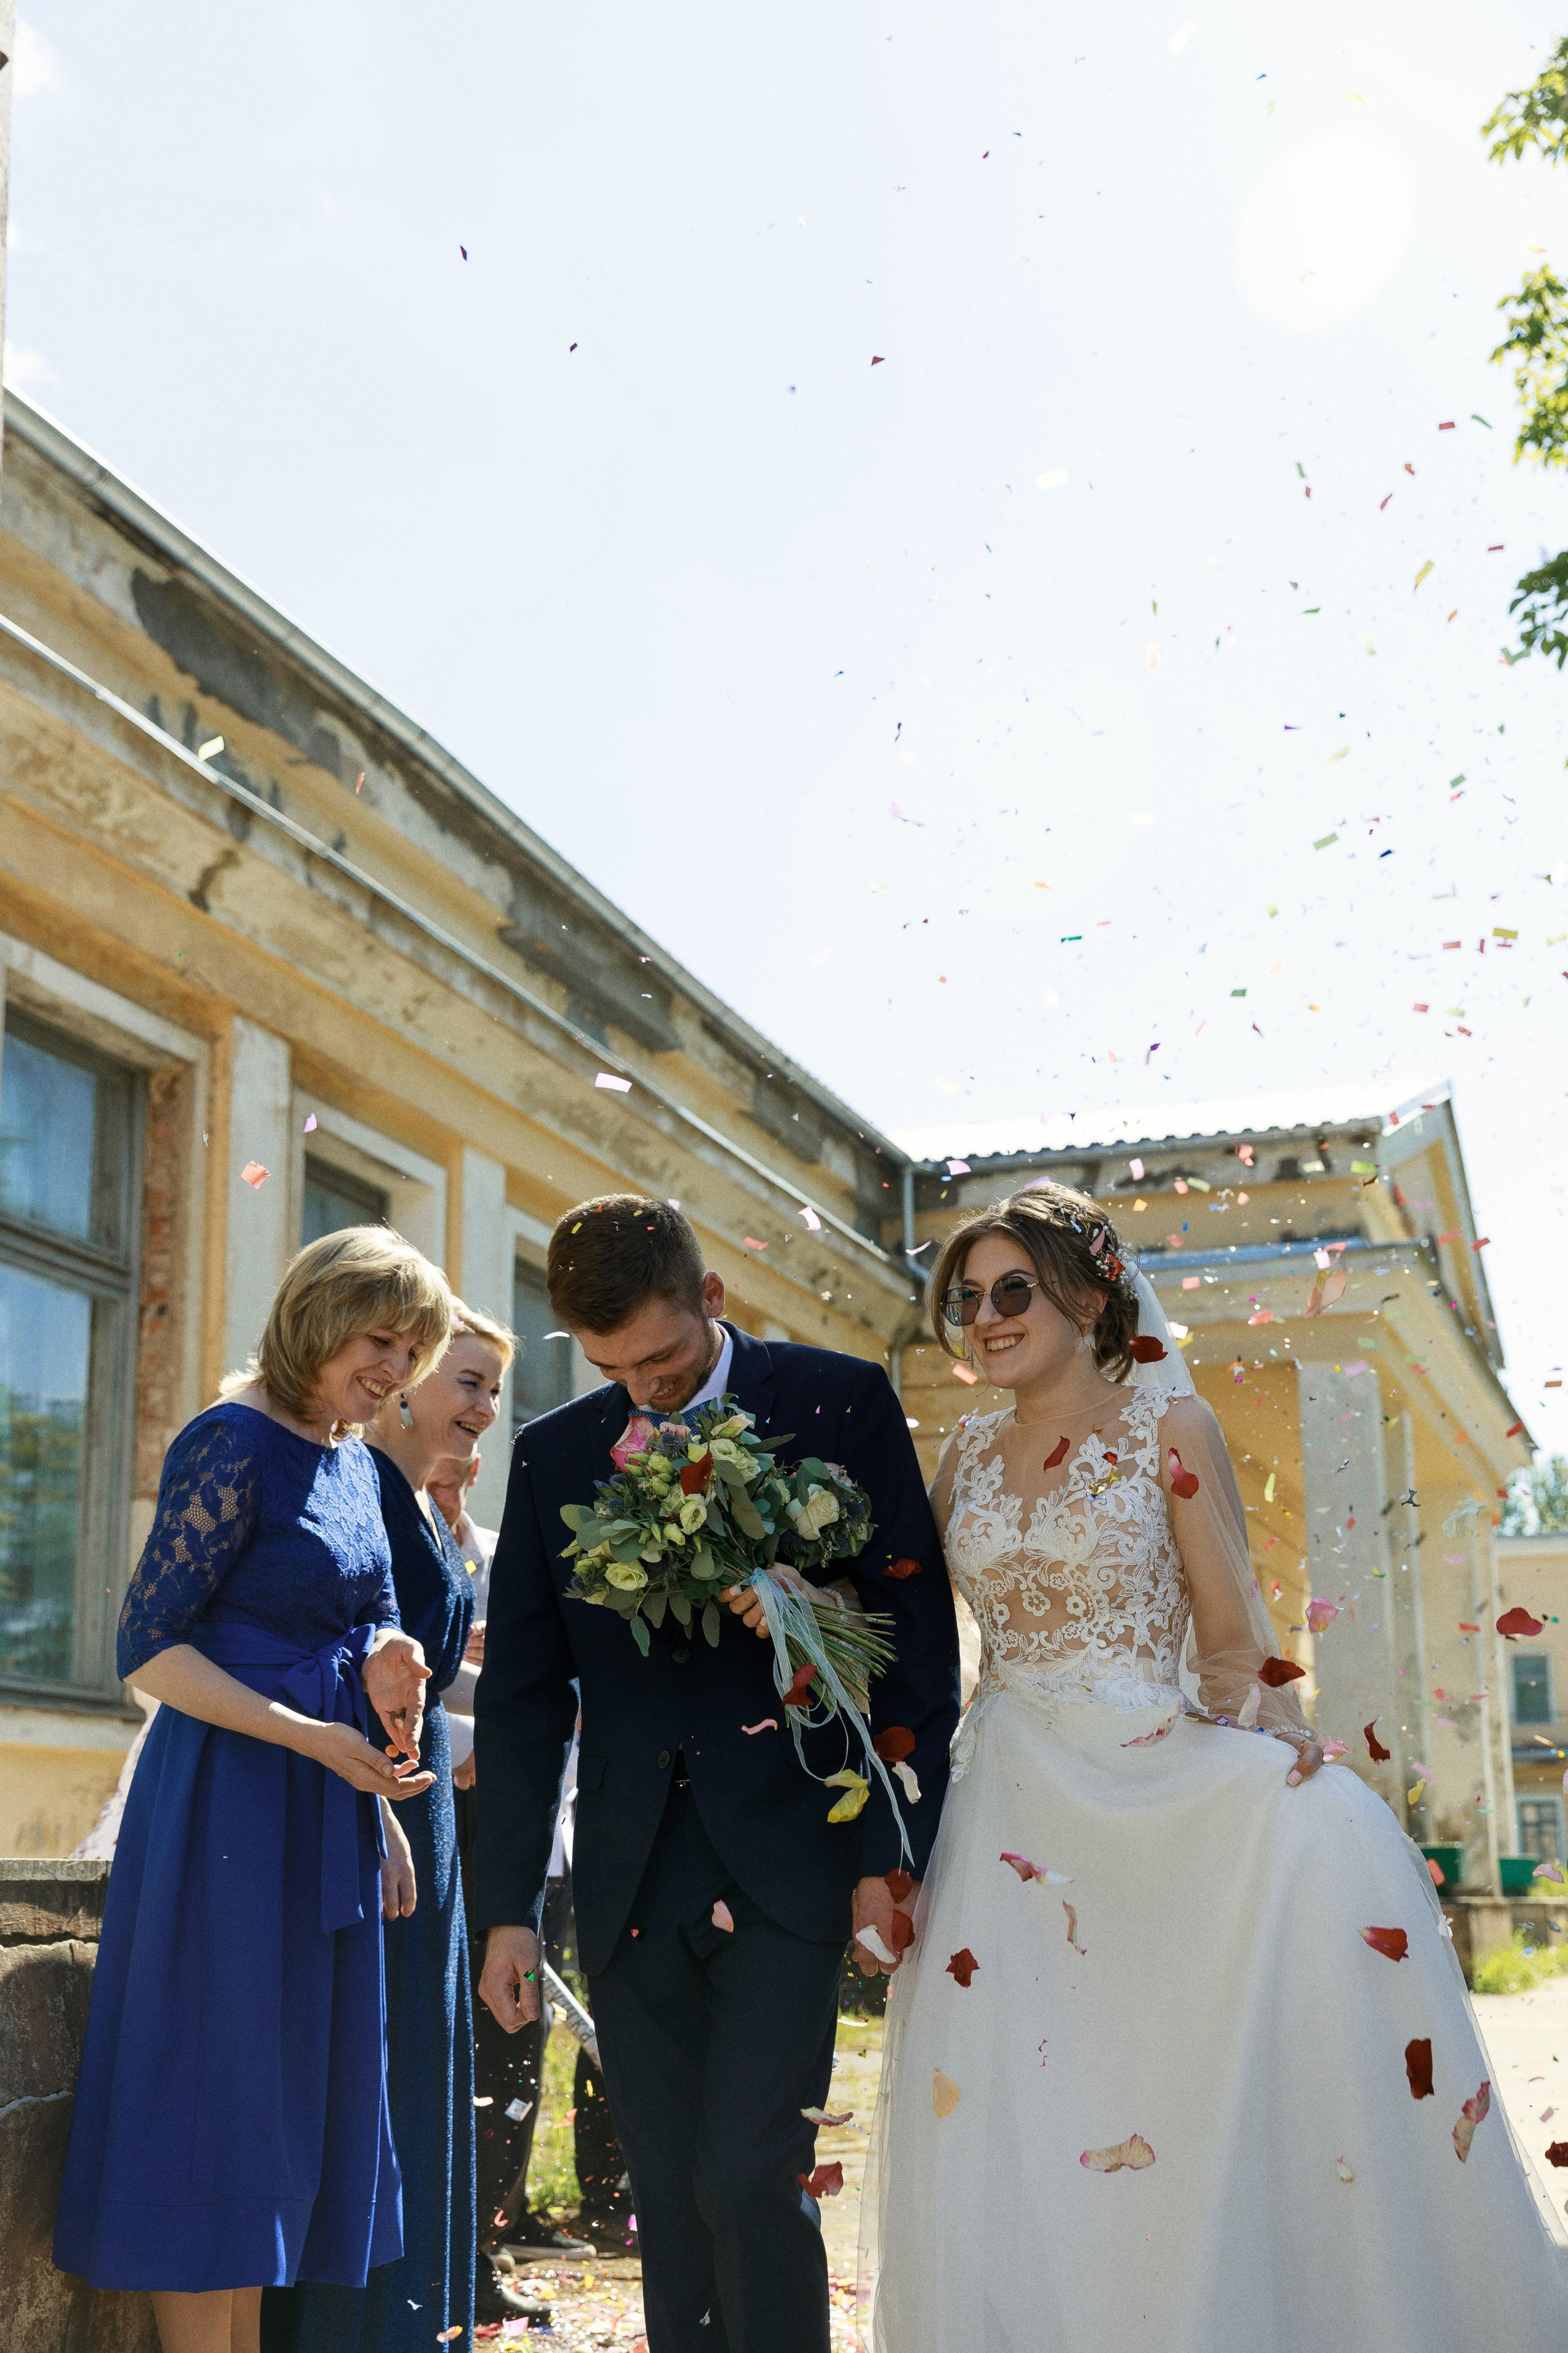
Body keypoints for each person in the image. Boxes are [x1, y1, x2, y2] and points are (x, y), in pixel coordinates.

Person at [869, 1187, 1568, 2352]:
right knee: (1034, 2106)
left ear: (1089, 1296)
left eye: (1012, 1291)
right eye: (967, 1296)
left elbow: (1234, 1643)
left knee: (1168, 2086)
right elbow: (903, 1616)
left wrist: (1263, 1732)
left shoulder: (1171, 1427)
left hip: (1150, 1791)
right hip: (1010, 1816)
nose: (983, 1316)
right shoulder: (965, 1453)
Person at [472, 1195, 961, 2353]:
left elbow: (917, 1645)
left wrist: (892, 1855)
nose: (644, 1389)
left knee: (750, 2170)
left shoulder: (839, 1399)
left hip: (799, 1851)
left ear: (714, 1300)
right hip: (632, 1872)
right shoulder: (553, 1457)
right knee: (675, 2194)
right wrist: (505, 1912)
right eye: (613, 1368)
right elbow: (525, 1700)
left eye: (664, 1358)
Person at [53, 1228, 448, 2353]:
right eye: (383, 1339)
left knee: (278, 2119)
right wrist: (317, 1741)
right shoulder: (230, 1441)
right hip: (227, 1803)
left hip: (322, 1811)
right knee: (212, 2106)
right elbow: (150, 1648)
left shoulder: (354, 1462)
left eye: (413, 1350)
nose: (398, 1370)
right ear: (318, 1320)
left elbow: (346, 1623)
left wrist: (377, 1791)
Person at [263, 1301, 537, 2347]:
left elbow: (434, 1666)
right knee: (380, 2071)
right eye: (468, 1380)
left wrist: (535, 1708)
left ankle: (415, 2318)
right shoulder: (363, 1491)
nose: (485, 1407)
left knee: (429, 2065)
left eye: (494, 1390)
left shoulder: (420, 1505)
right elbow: (354, 1675)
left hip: (429, 1825)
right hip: (374, 1814)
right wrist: (497, 1746)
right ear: (412, 1381)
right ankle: (359, 2325)